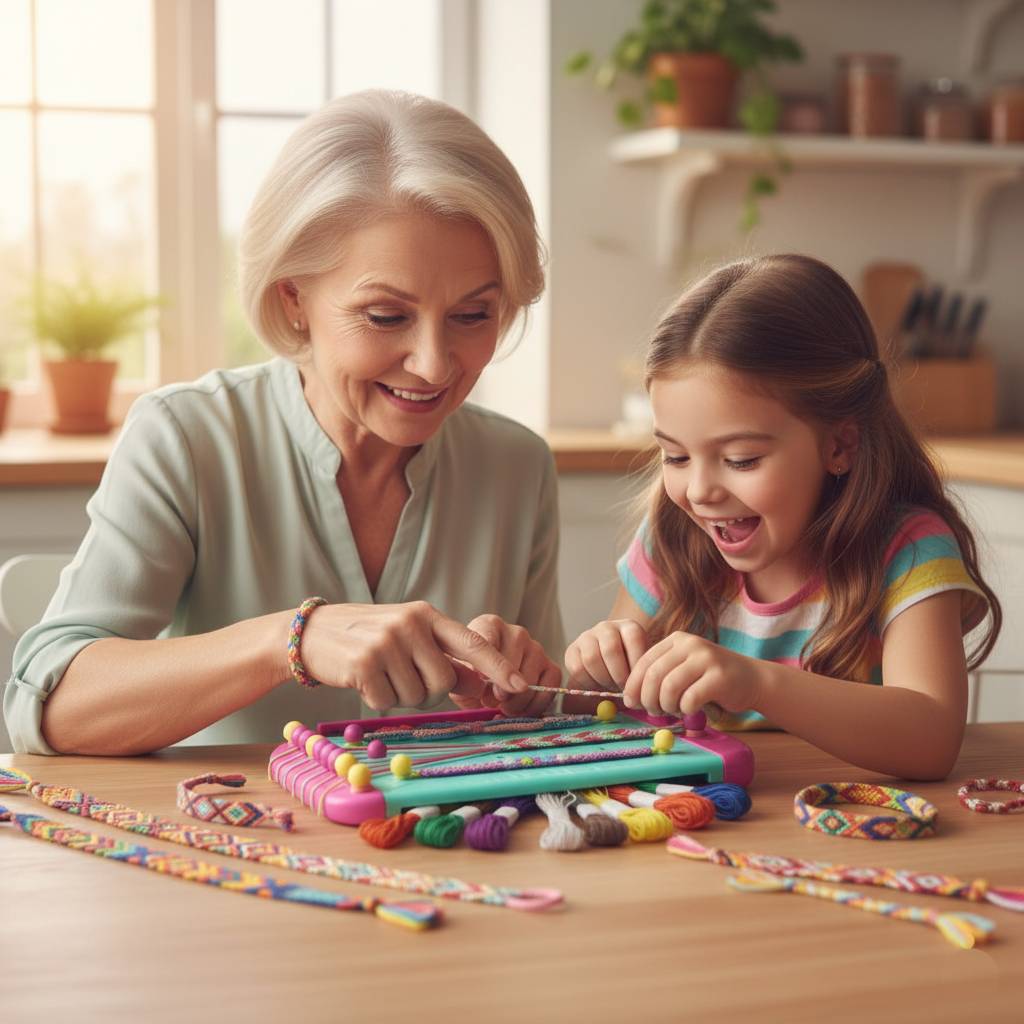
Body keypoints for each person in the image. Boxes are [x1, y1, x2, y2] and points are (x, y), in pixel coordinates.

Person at [5, 90, 564, 756]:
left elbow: (547, 726)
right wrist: (289, 641)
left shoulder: (518, 466)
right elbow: (46, 710)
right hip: (213, 847)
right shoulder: (186, 439)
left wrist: (523, 694)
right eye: (386, 316)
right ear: (293, 297)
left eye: (473, 316)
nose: (434, 363)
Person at [565, 254, 1001, 780]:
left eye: (741, 460)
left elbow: (931, 740)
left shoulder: (908, 550)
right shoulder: (673, 540)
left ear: (839, 445)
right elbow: (598, 716)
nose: (699, 491)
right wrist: (592, 675)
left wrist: (756, 683)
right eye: (676, 457)